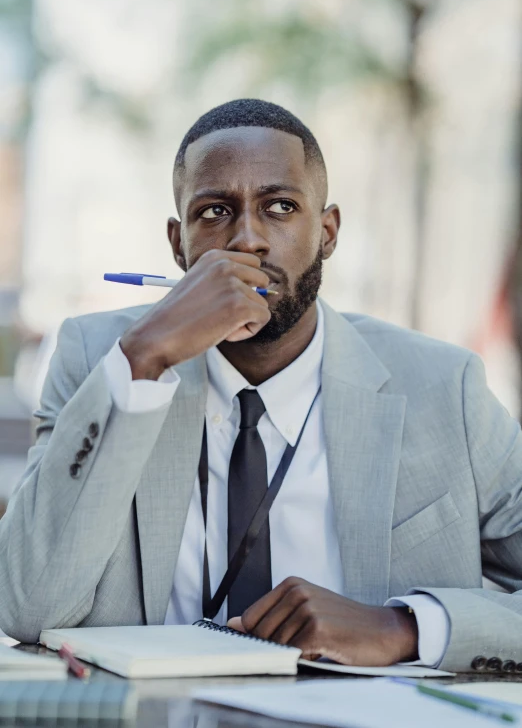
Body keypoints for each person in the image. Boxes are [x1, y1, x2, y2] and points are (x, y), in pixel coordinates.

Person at [1, 99, 521, 674]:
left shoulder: (446, 389)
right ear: (179, 245)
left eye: (280, 207)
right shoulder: (100, 360)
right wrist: (143, 361)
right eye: (215, 212)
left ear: (327, 232)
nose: (247, 239)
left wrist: (405, 626)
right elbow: (27, 605)